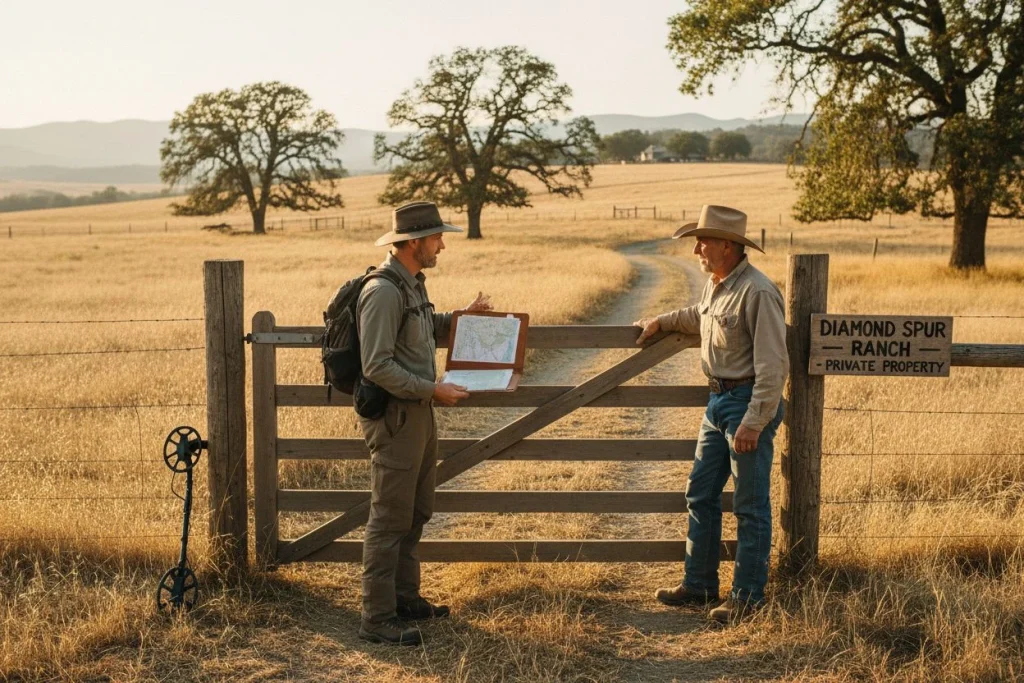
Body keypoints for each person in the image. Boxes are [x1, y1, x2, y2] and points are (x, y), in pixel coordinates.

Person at [634, 204, 788, 624]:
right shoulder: (718, 285)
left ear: (728, 245)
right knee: (700, 495)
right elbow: (698, 318)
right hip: (717, 402)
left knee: (750, 505)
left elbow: (774, 367)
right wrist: (661, 321)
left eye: (703, 241)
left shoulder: (758, 291)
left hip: (744, 405)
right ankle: (700, 584)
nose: (697, 248)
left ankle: (747, 599)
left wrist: (754, 421)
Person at [357, 201, 492, 646]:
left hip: (417, 412)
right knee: (389, 517)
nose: (442, 245)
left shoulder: (411, 284)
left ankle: (405, 599)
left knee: (416, 510)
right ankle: (377, 618)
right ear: (413, 241)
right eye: (436, 237)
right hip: (397, 417)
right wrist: (432, 389)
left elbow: (423, 328)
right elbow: (376, 365)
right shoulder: (382, 291)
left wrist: (462, 316)